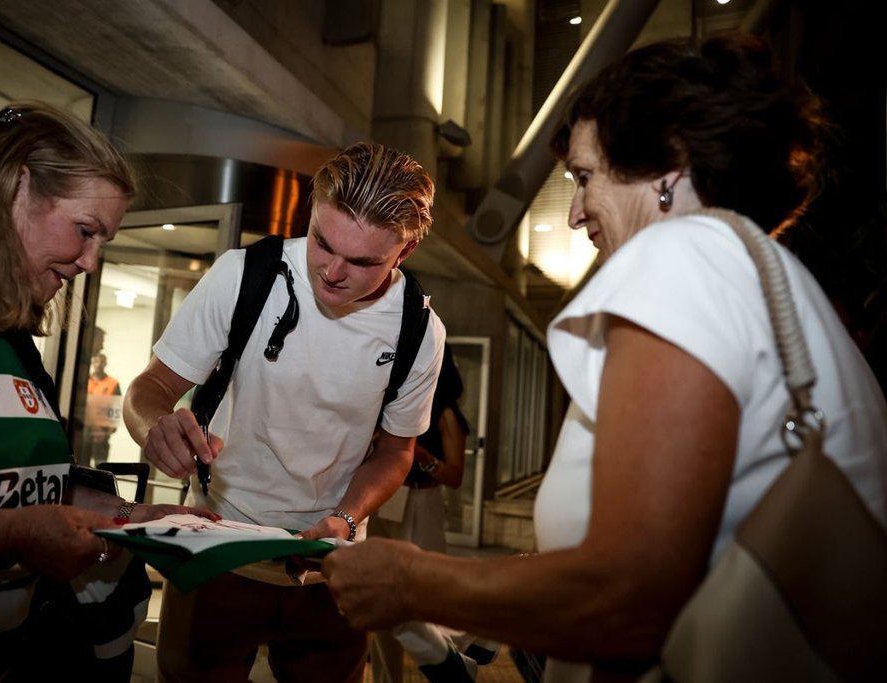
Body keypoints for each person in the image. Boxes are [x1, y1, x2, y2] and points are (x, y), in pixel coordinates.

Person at [321, 32, 887, 682]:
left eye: (585, 177)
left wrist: (415, 581)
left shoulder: (682, 255)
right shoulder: (766, 274)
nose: (576, 214)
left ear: (669, 163)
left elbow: (632, 594)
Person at [0, 100, 215, 681]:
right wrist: (0, 537)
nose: (90, 263)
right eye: (85, 231)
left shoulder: (5, 327)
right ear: (15, 185)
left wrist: (129, 517)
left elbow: (16, 486)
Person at [123, 141, 445, 682]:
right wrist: (155, 428)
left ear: (403, 252)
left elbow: (397, 451)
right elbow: (150, 386)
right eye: (323, 241)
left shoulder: (419, 329)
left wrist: (344, 518)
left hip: (330, 568)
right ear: (312, 213)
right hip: (217, 548)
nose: (333, 271)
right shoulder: (244, 274)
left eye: (362, 261)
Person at [368, 342, 470, 682]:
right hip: (385, 501)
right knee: (382, 594)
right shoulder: (395, 401)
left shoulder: (446, 413)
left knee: (430, 594)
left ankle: (456, 659)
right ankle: (386, 678)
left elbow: (455, 477)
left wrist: (420, 455)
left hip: (421, 502)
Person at [86, 351, 123, 465]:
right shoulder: (84, 380)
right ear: (92, 363)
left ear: (105, 363)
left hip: (102, 432)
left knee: (100, 464)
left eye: (101, 362)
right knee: (81, 464)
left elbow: (116, 406)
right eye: (96, 361)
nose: (98, 364)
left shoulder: (113, 383)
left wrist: (109, 430)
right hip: (84, 431)